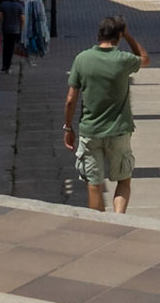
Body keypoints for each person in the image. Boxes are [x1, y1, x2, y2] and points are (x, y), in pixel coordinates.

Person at [64, 14, 151, 213]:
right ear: (118, 36)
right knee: (123, 180)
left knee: (94, 183)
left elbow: (70, 100)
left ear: (99, 35)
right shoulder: (123, 60)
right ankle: (119, 220)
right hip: (119, 131)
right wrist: (128, 36)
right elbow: (145, 59)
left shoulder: (82, 59)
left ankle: (101, 226)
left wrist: (68, 127)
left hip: (90, 131)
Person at [0, 0, 25, 73]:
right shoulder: (19, 6)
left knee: (6, 47)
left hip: (6, 29)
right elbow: (22, 19)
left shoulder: (3, 4)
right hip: (15, 30)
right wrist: (21, 29)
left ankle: (4, 64)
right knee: (11, 48)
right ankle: (8, 66)